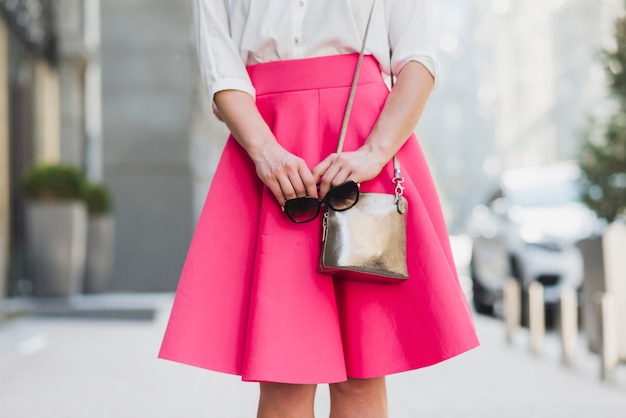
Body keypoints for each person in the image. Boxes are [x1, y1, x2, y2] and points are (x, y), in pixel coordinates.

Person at [160, 0, 479, 417]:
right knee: (284, 380)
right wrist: (265, 151)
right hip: (266, 145)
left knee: (361, 380)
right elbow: (220, 69)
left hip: (361, 151)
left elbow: (418, 58)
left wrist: (375, 152)